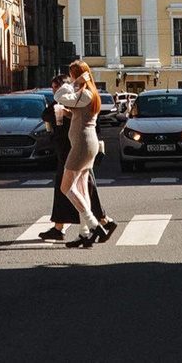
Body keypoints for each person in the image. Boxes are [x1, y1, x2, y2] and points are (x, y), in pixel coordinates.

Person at [44, 61, 112, 248]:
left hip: (82, 145)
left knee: (66, 187)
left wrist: (73, 83)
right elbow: (77, 112)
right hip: (84, 143)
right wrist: (68, 113)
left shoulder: (85, 93)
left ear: (79, 75)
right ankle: (84, 234)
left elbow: (59, 95)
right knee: (82, 189)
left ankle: (94, 225)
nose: (72, 79)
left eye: (73, 75)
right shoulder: (86, 95)